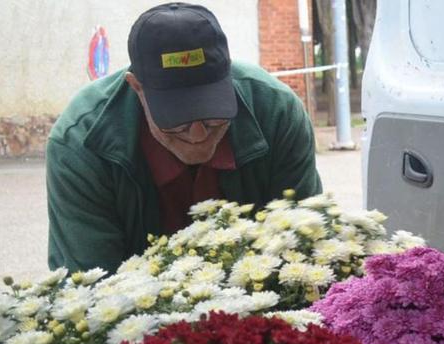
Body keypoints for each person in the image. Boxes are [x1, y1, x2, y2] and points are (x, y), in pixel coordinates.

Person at [46, 2, 322, 273]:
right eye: (178, 118)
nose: (199, 134)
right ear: (137, 88)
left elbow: (307, 246)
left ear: (228, 78)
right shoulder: (80, 143)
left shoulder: (277, 112)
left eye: (213, 114)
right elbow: (89, 287)